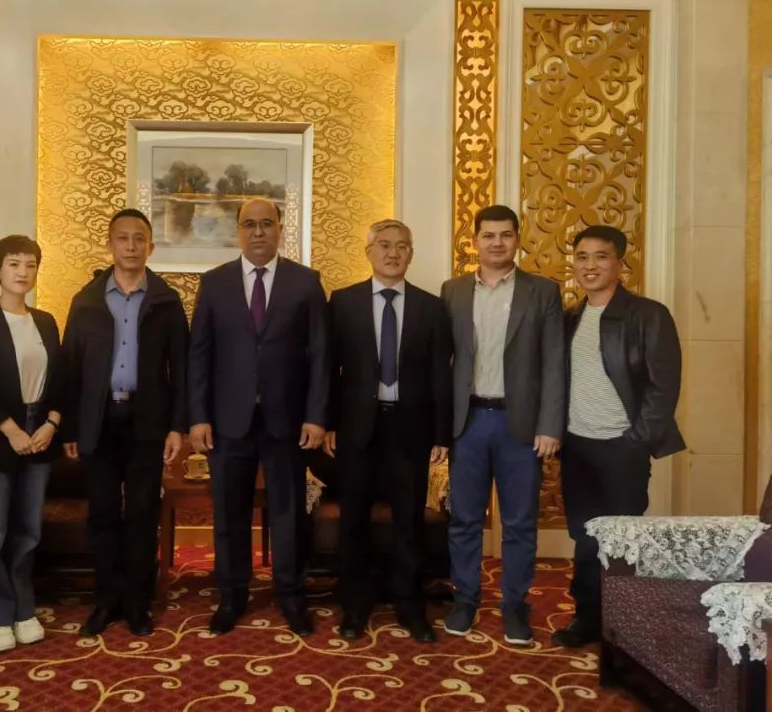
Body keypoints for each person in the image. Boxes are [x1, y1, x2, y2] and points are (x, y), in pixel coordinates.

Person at [188, 197, 330, 636]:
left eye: (266, 223)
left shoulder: (306, 283)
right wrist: (198, 416)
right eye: (249, 224)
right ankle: (232, 595)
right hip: (227, 422)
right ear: (238, 230)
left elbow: (320, 356)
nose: (258, 232)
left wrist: (316, 416)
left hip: (287, 421)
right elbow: (199, 355)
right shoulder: (214, 283)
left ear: (280, 229)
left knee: (289, 513)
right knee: (230, 513)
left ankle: (291, 595)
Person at [552, 225, 685, 648]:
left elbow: (663, 387)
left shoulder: (648, 315)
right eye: (582, 257)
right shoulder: (569, 318)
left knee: (623, 539)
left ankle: (624, 625)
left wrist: (637, 440)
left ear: (620, 263)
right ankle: (587, 617)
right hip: (577, 446)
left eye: (601, 256)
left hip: (622, 448)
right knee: (585, 537)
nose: (590, 266)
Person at [440, 204, 564, 646]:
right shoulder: (453, 291)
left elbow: (554, 362)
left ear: (517, 239)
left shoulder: (542, 291)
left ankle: (514, 605)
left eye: (505, 235)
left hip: (521, 424)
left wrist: (550, 425)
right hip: (469, 421)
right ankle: (465, 599)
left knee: (519, 522)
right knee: (465, 519)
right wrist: (440, 428)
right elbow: (443, 362)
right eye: (489, 235)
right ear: (474, 240)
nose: (497, 242)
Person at [60, 209, 188, 637]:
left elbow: (181, 368)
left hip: (147, 422)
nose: (131, 246)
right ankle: (106, 600)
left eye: (139, 239)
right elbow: (71, 367)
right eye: (122, 238)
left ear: (151, 247)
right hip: (98, 422)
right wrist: (71, 428)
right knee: (102, 513)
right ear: (110, 245)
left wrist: (177, 426)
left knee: (142, 513)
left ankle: (136, 601)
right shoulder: (87, 300)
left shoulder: (167, 302)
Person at [325, 219, 453, 642]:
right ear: (368, 252)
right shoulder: (343, 302)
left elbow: (441, 374)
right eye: (384, 244)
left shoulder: (431, 307)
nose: (393, 252)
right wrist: (328, 422)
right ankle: (354, 606)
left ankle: (409, 606)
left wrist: (441, 433)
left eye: (402, 246)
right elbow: (328, 368)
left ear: (411, 254)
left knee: (408, 522)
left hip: (410, 428)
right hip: (356, 428)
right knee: (353, 520)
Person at [0, 235, 63, 653]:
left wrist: (52, 423)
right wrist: (11, 430)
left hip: (40, 432)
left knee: (29, 532)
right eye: (14, 264)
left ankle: (23, 609)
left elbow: (61, 378)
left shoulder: (46, 321)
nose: (23, 272)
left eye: (30, 264)